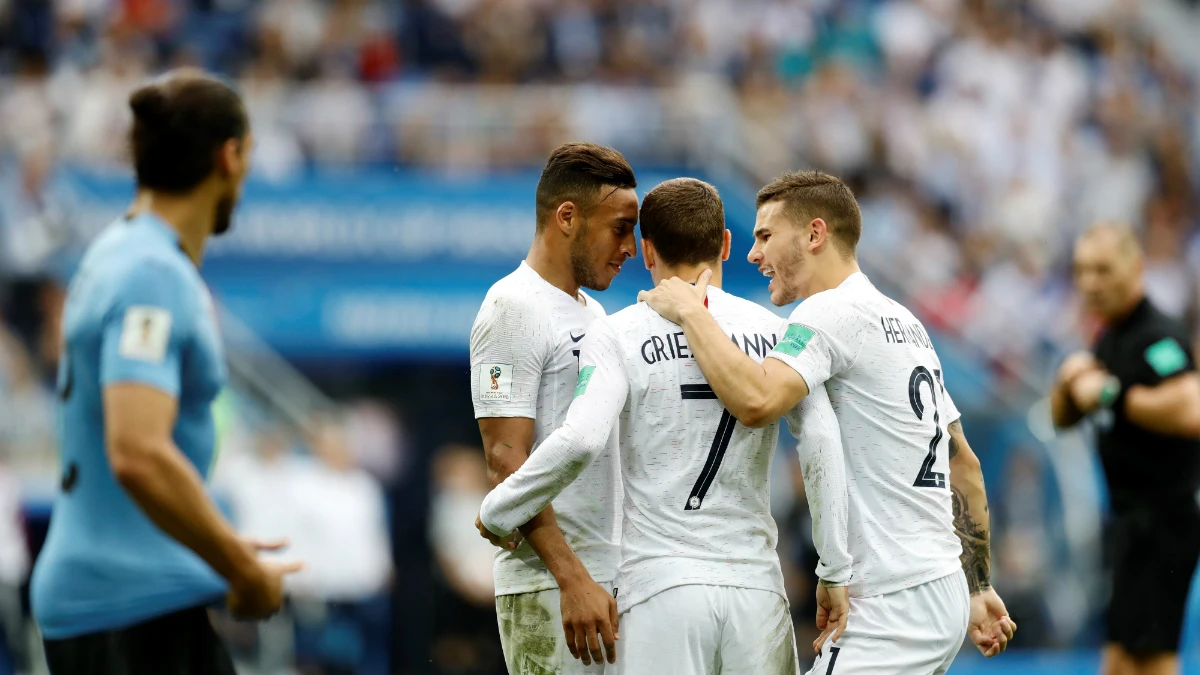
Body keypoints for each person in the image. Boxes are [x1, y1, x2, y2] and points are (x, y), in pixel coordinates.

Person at [638, 170, 1016, 674]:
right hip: (939, 584)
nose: (754, 255)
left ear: (815, 235)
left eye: (766, 236)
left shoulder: (828, 314)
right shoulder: (905, 322)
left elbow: (757, 399)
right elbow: (962, 462)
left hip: (890, 600)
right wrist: (978, 584)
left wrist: (692, 313)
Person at [477, 178, 852, 674]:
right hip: (756, 589)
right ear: (724, 243)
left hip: (660, 590)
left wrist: (501, 506)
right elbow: (823, 442)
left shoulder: (615, 332)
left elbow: (582, 438)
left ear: (647, 250)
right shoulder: (775, 332)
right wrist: (834, 568)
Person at [29, 70, 302, 675]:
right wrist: (239, 567)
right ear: (228, 157)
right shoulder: (151, 276)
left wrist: (211, 548)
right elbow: (138, 453)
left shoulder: (116, 254)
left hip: (130, 597)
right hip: (124, 609)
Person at [468, 142, 638, 673]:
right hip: (549, 585)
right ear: (567, 217)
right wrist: (572, 577)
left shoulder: (595, 311)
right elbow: (504, 459)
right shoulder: (511, 307)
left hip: (607, 576)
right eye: (620, 228)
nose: (630, 248)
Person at [1050, 223, 1200, 675]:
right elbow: (1062, 417)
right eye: (1081, 271)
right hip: (1131, 527)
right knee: (1118, 661)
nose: (1090, 283)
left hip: (1163, 523)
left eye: (1103, 270)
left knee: (1151, 663)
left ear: (1136, 268)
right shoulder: (1109, 338)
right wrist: (1069, 381)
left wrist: (1111, 391)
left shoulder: (1158, 336)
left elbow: (1191, 408)